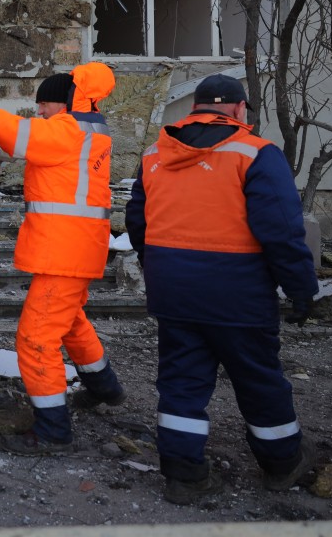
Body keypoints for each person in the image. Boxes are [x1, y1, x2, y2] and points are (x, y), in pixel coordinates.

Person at [125, 73, 318, 505]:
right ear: (238, 109)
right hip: (238, 290)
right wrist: (302, 289)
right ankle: (283, 462)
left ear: (195, 108)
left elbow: (137, 221)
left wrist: (154, 264)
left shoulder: (156, 154)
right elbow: (283, 233)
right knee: (258, 378)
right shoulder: (257, 153)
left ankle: (184, 475)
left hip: (172, 288)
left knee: (181, 380)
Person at [0, 62, 126, 455]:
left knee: (35, 339)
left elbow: (17, 135)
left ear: (64, 102)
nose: (40, 111)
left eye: (44, 104)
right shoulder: (88, 131)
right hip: (76, 248)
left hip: (65, 250)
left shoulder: (68, 131)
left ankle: (53, 431)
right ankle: (105, 387)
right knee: (70, 322)